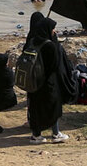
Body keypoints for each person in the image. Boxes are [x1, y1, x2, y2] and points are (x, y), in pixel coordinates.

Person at [24, 13, 75, 142]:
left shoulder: (32, 41)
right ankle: (56, 134)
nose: (54, 31)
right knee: (54, 107)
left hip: (34, 82)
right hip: (48, 82)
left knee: (36, 108)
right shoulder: (49, 45)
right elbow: (55, 65)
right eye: (53, 28)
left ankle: (36, 135)